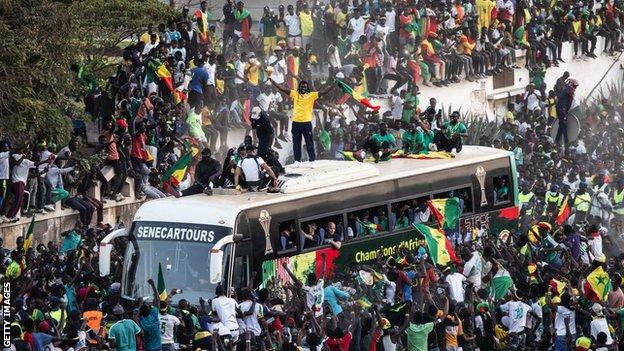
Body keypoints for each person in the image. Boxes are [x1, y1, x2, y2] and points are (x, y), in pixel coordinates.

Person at [269, 78, 334, 168]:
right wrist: (273, 81)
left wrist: (333, 85)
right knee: (296, 143)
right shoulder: (295, 94)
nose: (303, 88)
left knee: (309, 142)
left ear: (307, 88)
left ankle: (312, 160)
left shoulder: (312, 95)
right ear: (299, 87)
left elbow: (323, 92)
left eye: (305, 87)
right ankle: (297, 161)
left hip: (306, 123)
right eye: (302, 86)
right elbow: (283, 89)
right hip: (296, 123)